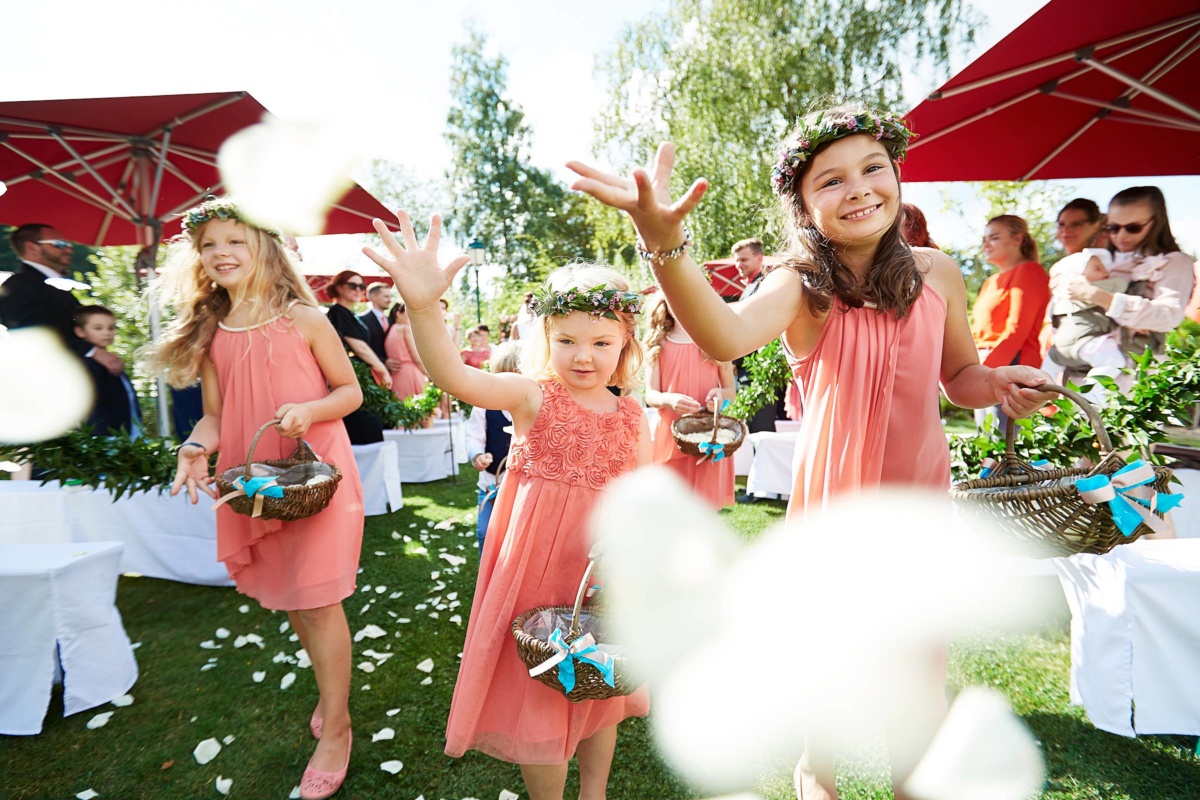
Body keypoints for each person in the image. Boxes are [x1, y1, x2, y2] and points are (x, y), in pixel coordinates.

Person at [567, 103, 1053, 800]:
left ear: (895, 177)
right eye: (830, 180)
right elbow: (724, 337)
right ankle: (813, 773)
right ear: (801, 202)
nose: (857, 189)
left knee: (916, 669)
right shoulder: (800, 286)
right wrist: (662, 243)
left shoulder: (939, 271)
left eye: (872, 169)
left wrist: (996, 384)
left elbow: (960, 379)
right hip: (835, 501)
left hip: (919, 503)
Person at [362, 215, 651, 800]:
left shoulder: (633, 415)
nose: (583, 356)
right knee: (541, 688)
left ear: (625, 343)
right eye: (566, 339)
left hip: (601, 571)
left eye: (600, 341)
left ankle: (593, 793)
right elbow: (451, 373)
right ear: (545, 338)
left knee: (603, 686)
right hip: (537, 572)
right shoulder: (530, 395)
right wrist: (423, 307)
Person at [148, 197, 364, 800]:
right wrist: (195, 444)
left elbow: (348, 393)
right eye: (210, 244)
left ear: (265, 246)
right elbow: (215, 417)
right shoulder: (215, 330)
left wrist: (310, 410)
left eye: (235, 241)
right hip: (256, 486)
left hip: (316, 477)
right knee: (296, 600)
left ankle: (338, 728)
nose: (221, 253)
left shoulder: (305, 318)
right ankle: (332, 695)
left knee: (318, 601)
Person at [1052, 186, 1196, 366]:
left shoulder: (1173, 262)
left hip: (1131, 378)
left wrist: (1094, 294)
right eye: (1113, 228)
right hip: (1075, 367)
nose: (1121, 236)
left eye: (1133, 228)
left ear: (1157, 222)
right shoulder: (1100, 258)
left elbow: (1169, 317)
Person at [643, 294, 736, 508]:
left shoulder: (714, 339)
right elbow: (651, 395)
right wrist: (669, 399)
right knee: (669, 505)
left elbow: (730, 390)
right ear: (666, 303)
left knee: (704, 507)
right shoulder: (658, 343)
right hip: (670, 434)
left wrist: (720, 396)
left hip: (708, 433)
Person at [1, 223, 123, 376]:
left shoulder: (41, 283)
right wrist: (91, 351)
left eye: (68, 244)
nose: (69, 249)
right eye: (60, 244)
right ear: (32, 248)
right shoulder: (20, 285)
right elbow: (33, 336)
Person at [970, 214, 1051, 429]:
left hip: (1010, 366)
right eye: (984, 239)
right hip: (985, 363)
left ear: (1017, 239)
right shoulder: (991, 281)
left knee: (1003, 441)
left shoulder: (1029, 272)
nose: (986, 244)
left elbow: (1017, 330)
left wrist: (982, 372)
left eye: (994, 238)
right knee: (985, 438)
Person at [464, 341, 521, 551]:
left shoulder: (533, 406)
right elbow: (473, 436)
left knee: (515, 536)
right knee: (486, 532)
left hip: (522, 488)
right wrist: (477, 455)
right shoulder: (484, 404)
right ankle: (485, 578)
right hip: (491, 484)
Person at [1043, 250, 1128, 383]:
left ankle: (1040, 388)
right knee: (1115, 362)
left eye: (1104, 268)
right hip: (1087, 344)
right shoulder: (1100, 292)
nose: (1105, 272)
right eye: (1097, 268)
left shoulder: (1058, 299)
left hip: (1059, 348)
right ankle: (1092, 392)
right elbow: (1119, 312)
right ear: (1077, 275)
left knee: (1046, 372)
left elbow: (1053, 323)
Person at [325, 270, 389, 444]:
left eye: (361, 286)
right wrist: (383, 369)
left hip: (360, 377)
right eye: (352, 285)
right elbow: (359, 347)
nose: (358, 290)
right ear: (338, 287)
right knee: (364, 431)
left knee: (370, 429)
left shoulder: (349, 314)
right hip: (350, 377)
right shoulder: (337, 312)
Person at [74, 305, 143, 438]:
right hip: (108, 437)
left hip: (127, 432)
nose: (107, 333)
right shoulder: (88, 364)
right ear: (80, 331)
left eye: (111, 328)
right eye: (98, 328)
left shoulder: (109, 360)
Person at [383, 302, 429, 412]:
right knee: (423, 412)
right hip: (411, 373)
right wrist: (427, 373)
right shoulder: (405, 329)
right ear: (399, 313)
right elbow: (416, 357)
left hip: (397, 375)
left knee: (402, 414)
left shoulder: (390, 330)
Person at [357, 282, 392, 364]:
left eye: (390, 296)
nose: (390, 300)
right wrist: (383, 362)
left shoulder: (391, 320)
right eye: (386, 296)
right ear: (373, 296)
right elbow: (363, 348)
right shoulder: (361, 320)